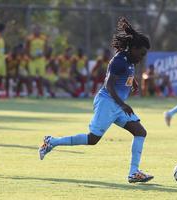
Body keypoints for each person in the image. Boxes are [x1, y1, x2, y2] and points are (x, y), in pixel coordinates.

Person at [39, 17, 154, 183]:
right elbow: (109, 85)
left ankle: (133, 172)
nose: (142, 57)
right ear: (133, 48)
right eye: (141, 53)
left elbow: (126, 74)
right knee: (92, 139)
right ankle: (52, 142)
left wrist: (133, 81)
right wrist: (122, 104)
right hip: (108, 103)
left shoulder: (130, 60)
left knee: (140, 132)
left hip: (118, 106)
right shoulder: (119, 60)